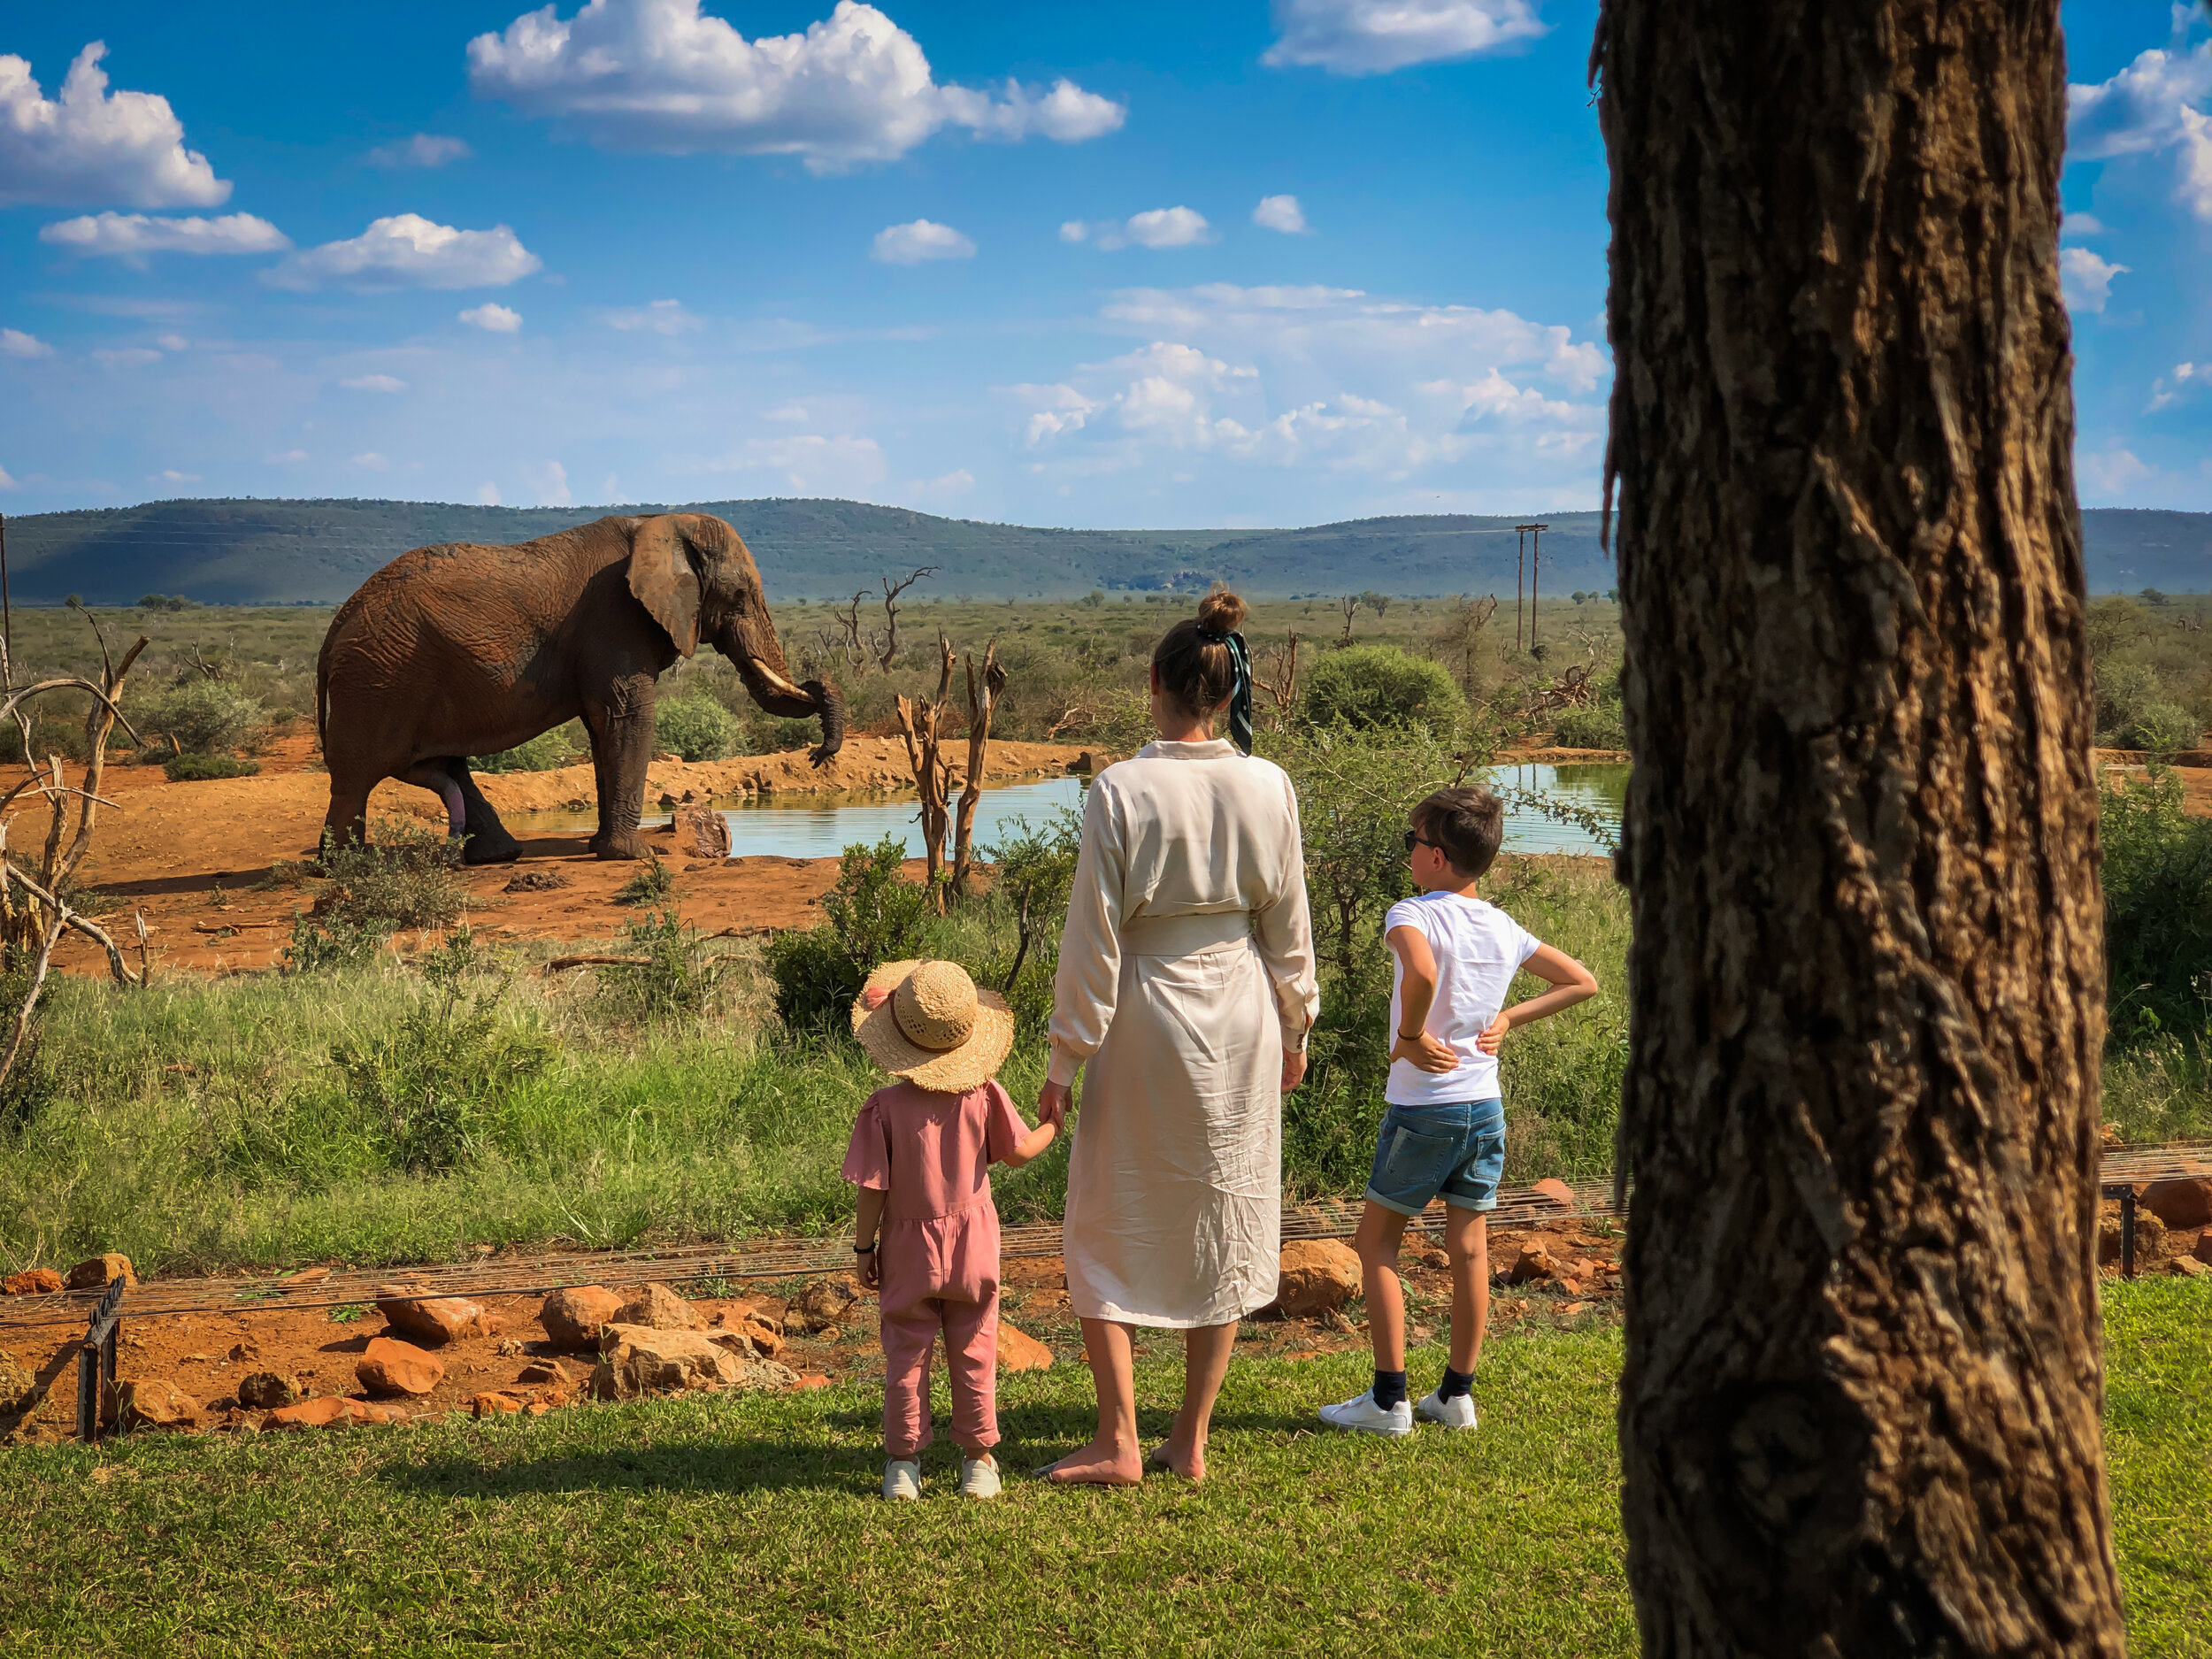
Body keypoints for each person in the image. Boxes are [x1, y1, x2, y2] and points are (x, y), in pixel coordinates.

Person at [1039, 585, 1318, 1485]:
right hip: (1241, 1011)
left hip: (1142, 1013)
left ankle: (1119, 1438)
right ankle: (1189, 1439)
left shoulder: (1120, 788)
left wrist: (1063, 1055)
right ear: (1228, 693)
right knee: (1225, 1207)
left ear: (1153, 683)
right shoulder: (1267, 783)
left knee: (1102, 1213)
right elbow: (1289, 926)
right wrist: (1296, 1025)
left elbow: (1093, 939)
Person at [1318, 786, 1598, 1437]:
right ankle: (1455, 1395)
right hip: (1484, 1109)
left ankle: (1390, 1400)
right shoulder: (1501, 924)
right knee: (1470, 1249)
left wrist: (1410, 1039)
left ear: (1438, 857)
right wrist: (1509, 1016)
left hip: (1425, 1111)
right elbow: (1580, 979)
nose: (1407, 853)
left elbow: (1419, 975)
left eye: (1411, 842)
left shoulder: (1410, 914)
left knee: (1375, 1243)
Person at [843, 957, 1057, 1501]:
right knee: (975, 1346)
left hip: (907, 1243)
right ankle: (979, 1461)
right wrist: (1055, 1122)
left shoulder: (883, 1108)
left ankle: (902, 1464)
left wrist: (865, 1248)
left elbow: (873, 1188)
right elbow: (1022, 1152)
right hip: (973, 1242)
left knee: (906, 1350)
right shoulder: (983, 1095)